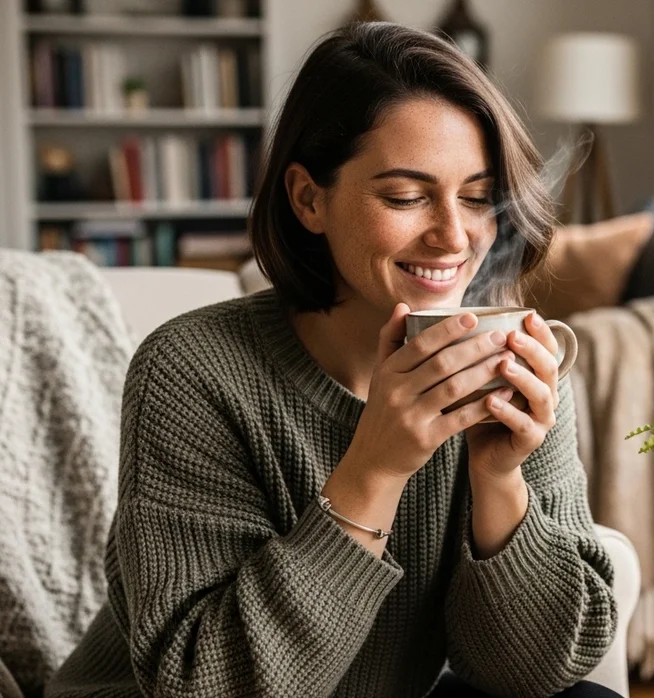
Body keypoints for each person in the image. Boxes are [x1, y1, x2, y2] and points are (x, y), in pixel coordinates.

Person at [46, 22, 619, 698]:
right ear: (308, 198)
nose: (453, 235)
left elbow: (533, 674)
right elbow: (207, 684)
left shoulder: (514, 361)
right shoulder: (192, 371)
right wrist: (373, 468)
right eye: (405, 197)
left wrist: (500, 483)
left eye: (476, 196)